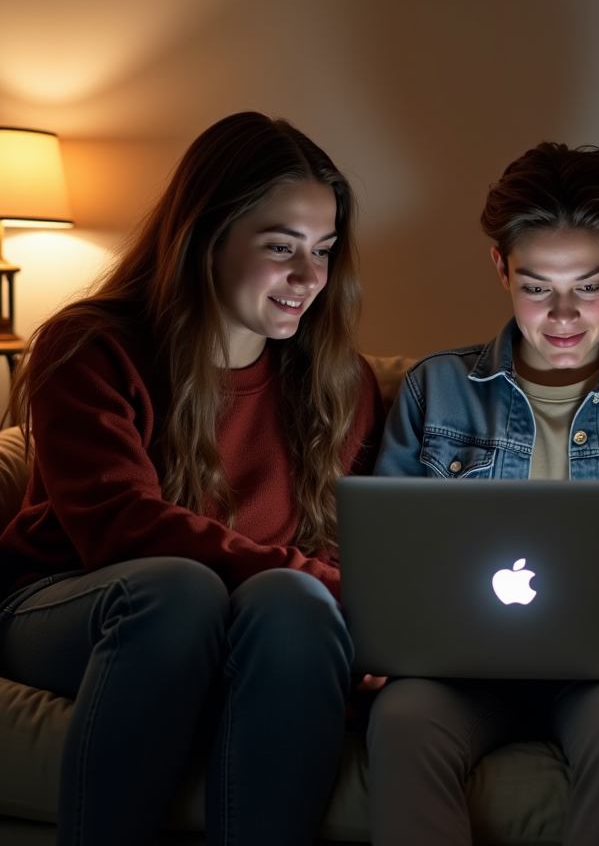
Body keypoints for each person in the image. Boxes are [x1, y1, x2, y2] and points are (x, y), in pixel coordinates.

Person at [0, 112, 385, 846]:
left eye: (324, 251)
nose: (309, 277)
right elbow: (121, 526)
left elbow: (343, 551)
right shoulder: (89, 347)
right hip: (73, 601)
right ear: (206, 239)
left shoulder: (341, 380)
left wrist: (363, 632)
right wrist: (341, 595)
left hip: (253, 621)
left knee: (293, 599)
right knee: (178, 587)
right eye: (281, 248)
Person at [369, 142, 599, 846]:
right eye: (538, 286)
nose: (564, 315)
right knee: (401, 719)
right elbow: (388, 552)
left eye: (589, 285)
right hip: (461, 669)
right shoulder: (434, 390)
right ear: (500, 268)